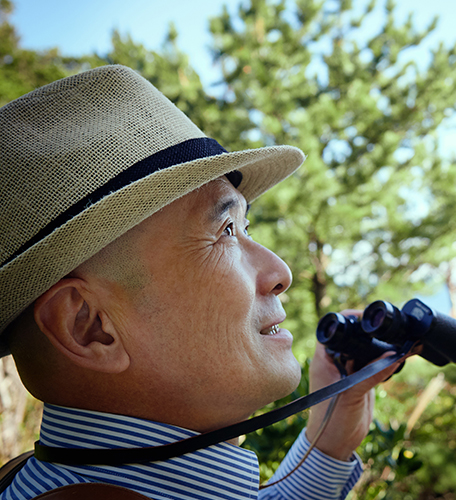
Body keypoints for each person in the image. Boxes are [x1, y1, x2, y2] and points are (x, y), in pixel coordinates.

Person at [0, 64, 401, 500]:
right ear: (89, 326)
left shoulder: (40, 478)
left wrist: (330, 437)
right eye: (225, 231)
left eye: (247, 228)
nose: (280, 272)